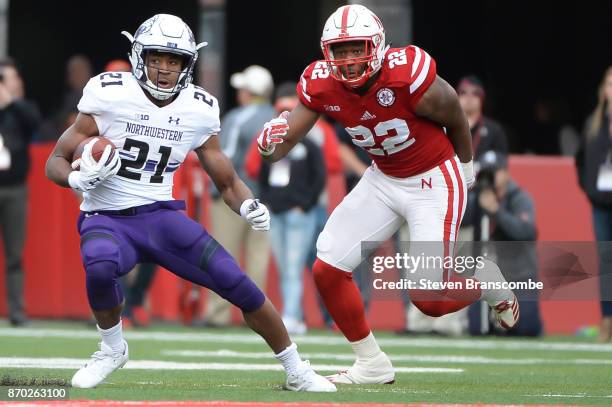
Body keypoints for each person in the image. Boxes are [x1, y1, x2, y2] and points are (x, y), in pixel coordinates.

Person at [45, 14, 335, 392]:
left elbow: (226, 178)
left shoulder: (199, 107)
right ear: (139, 57)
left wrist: (247, 204)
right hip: (107, 215)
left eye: (174, 60)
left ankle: (297, 369)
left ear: (187, 65)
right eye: (156, 58)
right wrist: (76, 178)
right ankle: (112, 348)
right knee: (100, 266)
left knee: (238, 284)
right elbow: (56, 160)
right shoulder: (109, 92)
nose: (164, 69)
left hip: (162, 217)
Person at [256, 4, 519, 384]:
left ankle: (488, 283)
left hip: (434, 179)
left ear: (377, 45)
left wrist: (465, 166)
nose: (348, 59)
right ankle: (372, 364)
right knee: (328, 268)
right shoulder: (321, 83)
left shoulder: (405, 74)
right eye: (340, 50)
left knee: (428, 300)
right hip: (384, 177)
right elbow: (285, 142)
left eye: (356, 48)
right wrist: (270, 145)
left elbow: (455, 115)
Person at [245, 82, 327, 334]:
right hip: (277, 213)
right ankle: (294, 315)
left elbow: (320, 176)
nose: (285, 117)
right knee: (284, 267)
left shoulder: (311, 142)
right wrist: (266, 200)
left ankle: (291, 315)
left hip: (299, 213)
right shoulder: (272, 143)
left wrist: (305, 205)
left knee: (294, 266)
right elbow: (260, 172)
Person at [202, 65, 275, 327]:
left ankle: (217, 313)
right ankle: (257, 314)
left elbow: (225, 157)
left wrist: (214, 190)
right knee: (258, 257)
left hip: (235, 197)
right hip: (266, 197)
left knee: (222, 254)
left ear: (249, 92)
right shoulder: (278, 116)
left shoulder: (239, 118)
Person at [469, 151, 542, 337]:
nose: (491, 178)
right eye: (486, 173)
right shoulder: (476, 198)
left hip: (519, 277)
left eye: (495, 172)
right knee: (478, 328)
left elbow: (526, 232)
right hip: (486, 279)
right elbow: (460, 221)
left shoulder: (519, 198)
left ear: (506, 173)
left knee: (526, 329)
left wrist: (497, 212)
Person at [0, 58, 41, 326]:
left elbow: (34, 124)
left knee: (15, 253)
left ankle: (17, 310)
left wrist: (11, 102)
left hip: (14, 188)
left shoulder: (21, 109)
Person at [575, 65, 612, 342]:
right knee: (605, 263)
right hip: (600, 203)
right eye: (609, 83)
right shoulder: (593, 123)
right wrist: (588, 189)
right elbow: (580, 159)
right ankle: (607, 321)